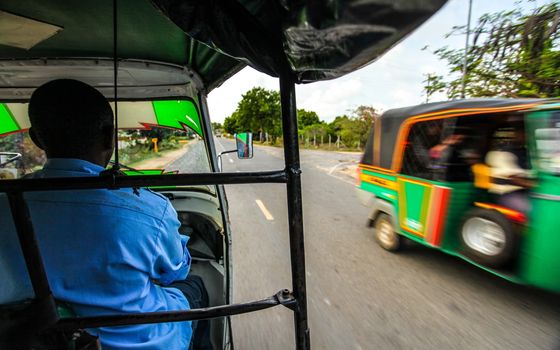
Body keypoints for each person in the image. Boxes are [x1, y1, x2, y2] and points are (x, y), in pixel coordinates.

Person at [0, 79, 210, 349]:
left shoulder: (6, 203)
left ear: (37, 139)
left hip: (32, 339)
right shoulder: (149, 208)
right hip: (139, 343)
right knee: (196, 288)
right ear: (109, 136)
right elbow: (175, 272)